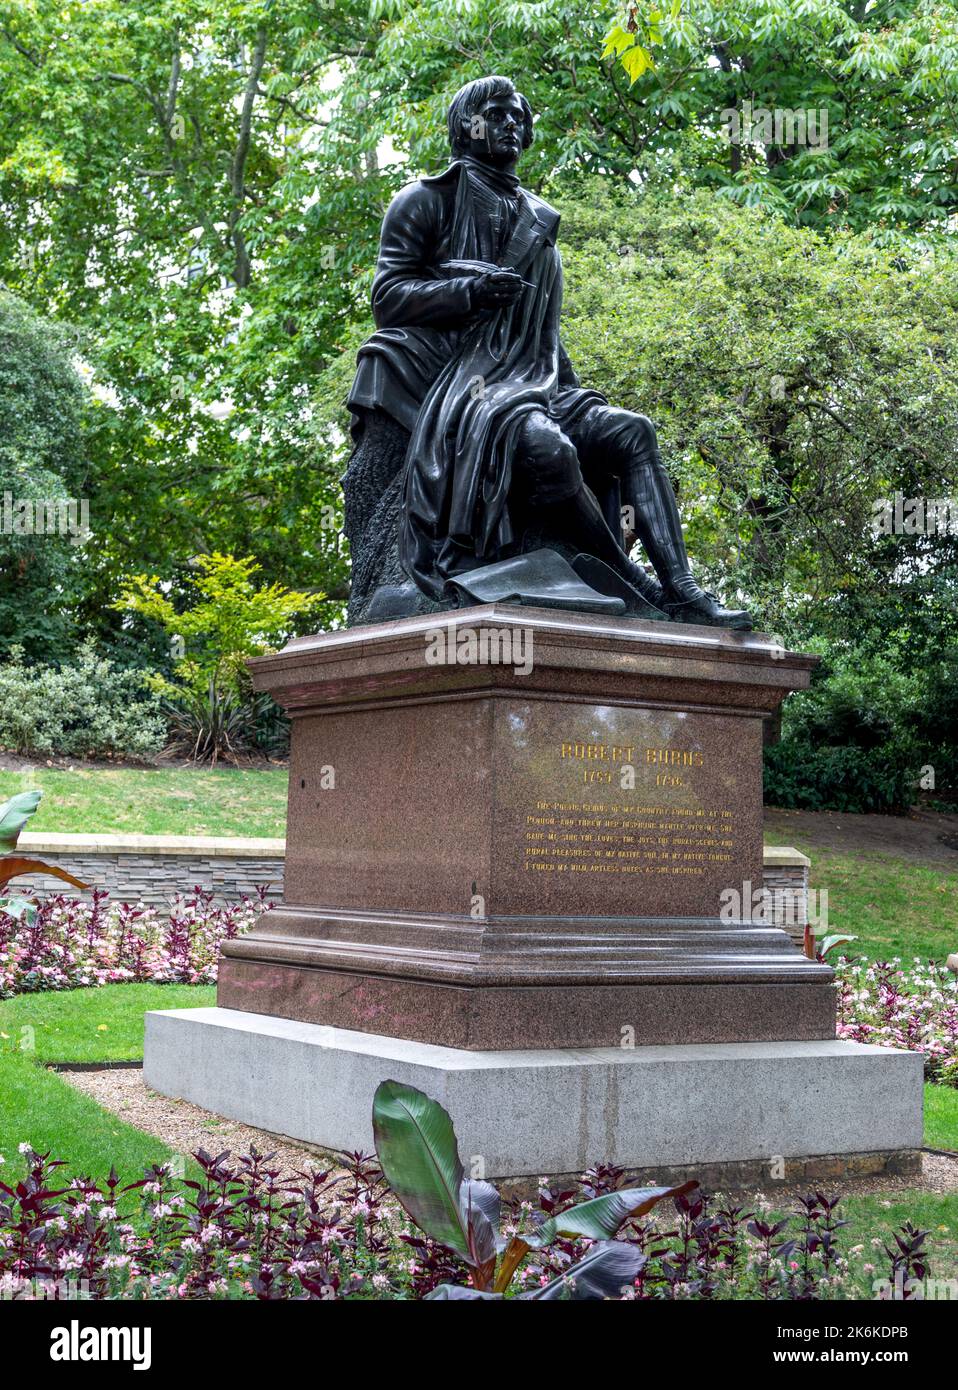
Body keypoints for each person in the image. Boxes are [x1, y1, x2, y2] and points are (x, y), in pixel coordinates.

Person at [347, 75, 751, 629]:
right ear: (465, 127)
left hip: (540, 379)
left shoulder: (539, 217)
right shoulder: (425, 201)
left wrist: (570, 387)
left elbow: (543, 330)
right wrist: (467, 292)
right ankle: (622, 573)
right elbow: (388, 297)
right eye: (495, 113)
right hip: (469, 386)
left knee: (634, 432)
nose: (511, 123)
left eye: (518, 115)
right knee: (548, 450)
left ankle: (682, 590)